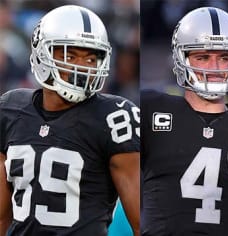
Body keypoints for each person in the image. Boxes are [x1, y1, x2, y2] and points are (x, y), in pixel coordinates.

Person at [0, 5, 140, 235]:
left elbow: (142, 222)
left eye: (91, 58)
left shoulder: (116, 118)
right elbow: (1, 217)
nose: (82, 68)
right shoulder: (9, 109)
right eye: (70, 55)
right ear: (42, 54)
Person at [140, 7, 228, 235]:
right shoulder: (152, 109)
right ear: (181, 58)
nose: (214, 68)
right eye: (203, 57)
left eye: (224, 57)